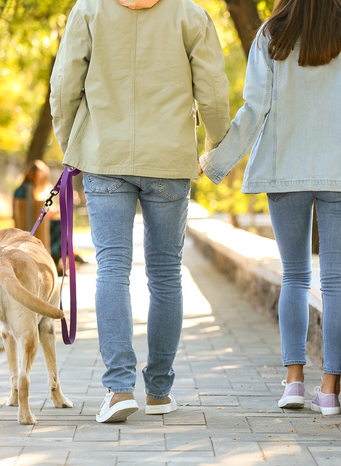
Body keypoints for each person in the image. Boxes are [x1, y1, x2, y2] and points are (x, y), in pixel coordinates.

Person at [200, 0, 341, 415]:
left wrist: (217, 161)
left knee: (294, 275)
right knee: (336, 278)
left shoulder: (271, 35)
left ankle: (293, 383)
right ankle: (329, 391)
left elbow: (254, 108)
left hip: (284, 168)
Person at [50, 0, 229, 423]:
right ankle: (160, 392)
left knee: (112, 267)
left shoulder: (88, 10)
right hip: (169, 159)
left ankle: (117, 390)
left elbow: (63, 87)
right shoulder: (191, 14)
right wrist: (214, 147)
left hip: (104, 155)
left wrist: (73, 144)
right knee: (166, 272)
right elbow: (215, 92)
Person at [13, 160, 62, 268]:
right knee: (60, 226)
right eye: (40, 176)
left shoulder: (22, 189)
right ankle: (55, 259)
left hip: (28, 224)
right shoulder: (28, 190)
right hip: (31, 226)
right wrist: (49, 213)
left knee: (59, 225)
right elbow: (32, 212)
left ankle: (59, 258)